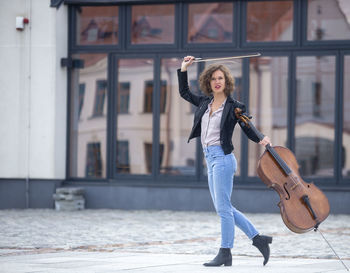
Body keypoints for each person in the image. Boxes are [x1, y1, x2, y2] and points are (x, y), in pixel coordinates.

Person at [177, 56, 273, 267]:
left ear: (226, 81)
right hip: (209, 159)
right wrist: (184, 68)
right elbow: (184, 92)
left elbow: (247, 126)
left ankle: (225, 252)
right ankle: (258, 239)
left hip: (223, 159)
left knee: (223, 208)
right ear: (208, 83)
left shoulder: (234, 106)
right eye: (213, 79)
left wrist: (261, 138)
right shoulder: (204, 102)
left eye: (220, 78)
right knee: (225, 207)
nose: (217, 81)